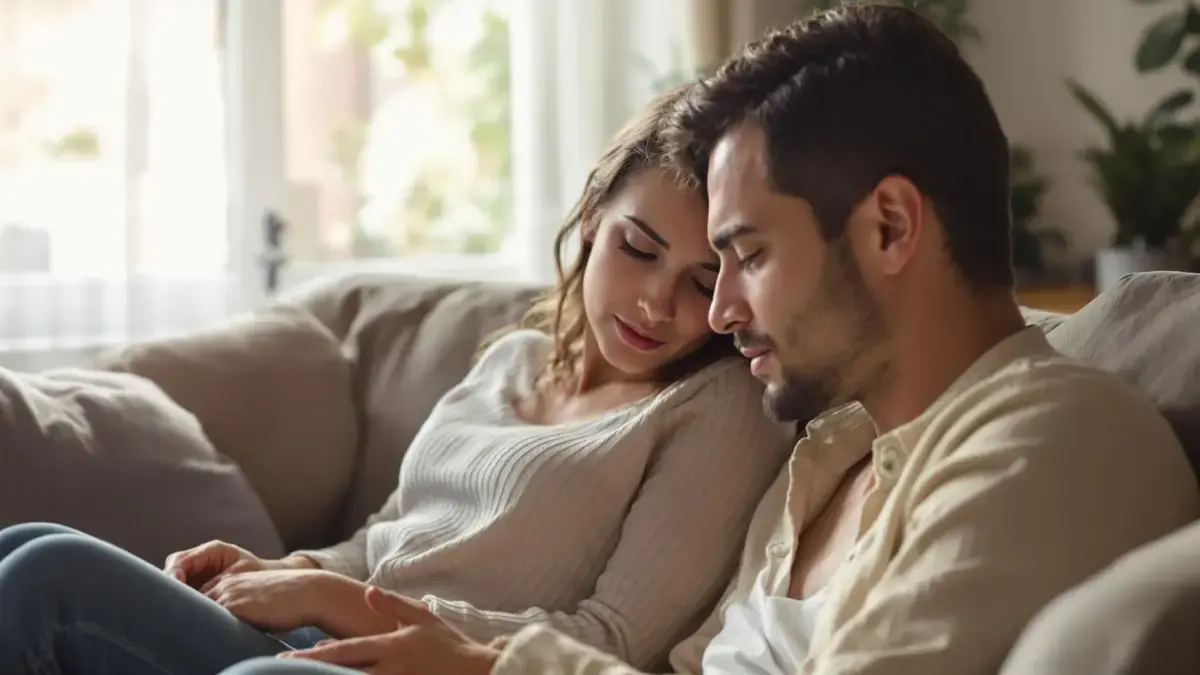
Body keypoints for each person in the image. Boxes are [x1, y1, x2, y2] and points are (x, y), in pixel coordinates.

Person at [217, 4, 1200, 675]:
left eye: (746, 255)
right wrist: (475, 660)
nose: (718, 313)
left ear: (891, 229)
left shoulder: (1057, 442)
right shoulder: (827, 453)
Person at [0, 85, 795, 675]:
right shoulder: (510, 359)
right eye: (640, 247)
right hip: (327, 633)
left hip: (418, 666)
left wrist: (342, 604)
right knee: (32, 549)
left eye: (701, 280)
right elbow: (386, 535)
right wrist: (293, 571)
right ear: (592, 217)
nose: (659, 302)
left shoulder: (718, 405)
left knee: (69, 588)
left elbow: (614, 642)